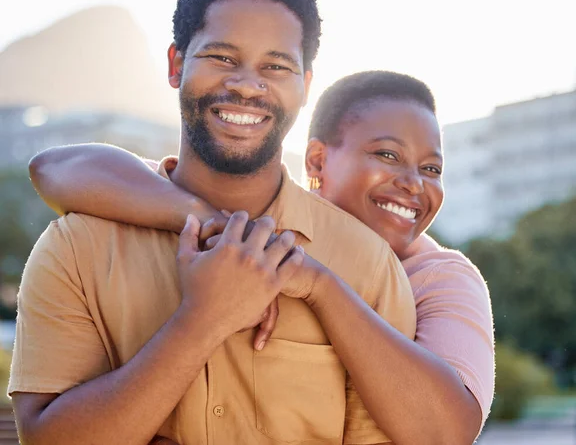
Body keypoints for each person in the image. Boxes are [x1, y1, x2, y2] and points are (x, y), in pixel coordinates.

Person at [9, 0, 424, 445]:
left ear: (305, 87)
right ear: (176, 65)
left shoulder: (365, 265)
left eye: (276, 65)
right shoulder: (76, 247)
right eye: (223, 58)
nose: (247, 85)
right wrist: (202, 320)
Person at [25, 70, 495, 443]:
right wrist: (216, 224)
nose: (414, 182)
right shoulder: (242, 222)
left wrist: (317, 284)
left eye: (431, 168)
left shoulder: (439, 277)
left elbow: (445, 430)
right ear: (315, 162)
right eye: (388, 156)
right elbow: (55, 168)